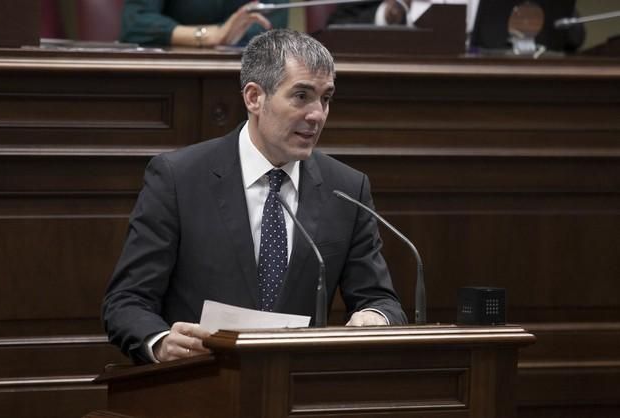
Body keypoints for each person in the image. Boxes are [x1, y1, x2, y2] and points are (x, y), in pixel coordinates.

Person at [102, 29, 407, 365]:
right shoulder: (179, 178)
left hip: (295, 392)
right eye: (301, 96)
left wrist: (376, 317)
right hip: (196, 385)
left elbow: (380, 299)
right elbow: (127, 301)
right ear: (254, 98)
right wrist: (160, 343)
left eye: (326, 98)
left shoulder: (346, 189)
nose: (317, 114)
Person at [329, 0, 584, 53]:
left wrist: (529, 21)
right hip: (397, 88)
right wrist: (388, 14)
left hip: (485, 92)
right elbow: (334, 29)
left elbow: (573, 34)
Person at [120, 0, 289, 47]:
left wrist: (233, 33)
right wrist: (210, 35)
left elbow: (272, 25)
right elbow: (136, 22)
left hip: (244, 71)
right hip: (169, 70)